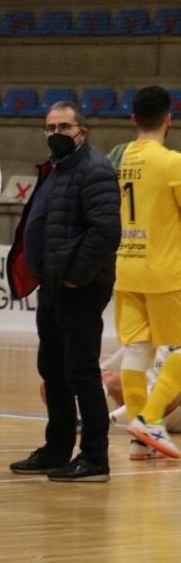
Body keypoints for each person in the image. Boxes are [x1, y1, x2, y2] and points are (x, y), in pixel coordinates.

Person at [7, 101, 120, 482]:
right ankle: (57, 449)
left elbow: (105, 232)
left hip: (80, 287)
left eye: (64, 128)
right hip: (54, 285)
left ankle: (95, 458)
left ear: (82, 132)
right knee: (52, 369)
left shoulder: (95, 169)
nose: (56, 134)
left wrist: (75, 275)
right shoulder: (54, 170)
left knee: (82, 371)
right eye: (51, 127)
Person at [107, 85, 181, 460]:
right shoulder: (172, 163)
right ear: (169, 120)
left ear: (133, 118)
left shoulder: (117, 161)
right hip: (165, 271)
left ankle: (140, 439)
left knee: (137, 351)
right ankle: (151, 419)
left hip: (126, 268)